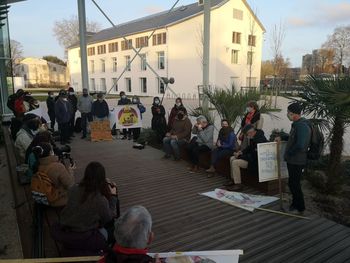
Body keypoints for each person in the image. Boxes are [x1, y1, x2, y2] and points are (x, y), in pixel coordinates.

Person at [52, 162, 118, 256]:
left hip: (66, 232)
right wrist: (113, 196)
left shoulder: (73, 189)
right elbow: (108, 218)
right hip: (84, 236)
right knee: (111, 230)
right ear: (102, 179)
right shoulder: (100, 200)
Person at [281, 102, 311, 214]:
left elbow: (300, 144)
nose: (287, 114)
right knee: (293, 183)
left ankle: (300, 207)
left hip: (297, 161)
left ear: (294, 114)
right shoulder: (297, 124)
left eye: (288, 112)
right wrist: (283, 136)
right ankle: (295, 205)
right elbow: (294, 138)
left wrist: (289, 153)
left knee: (295, 184)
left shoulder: (301, 125)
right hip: (294, 160)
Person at [33, 142, 75, 207]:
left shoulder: (36, 165)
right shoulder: (57, 167)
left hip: (43, 197)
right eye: (52, 150)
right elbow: (70, 184)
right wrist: (70, 170)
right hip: (55, 199)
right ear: (50, 152)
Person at [227, 124, 267, 191]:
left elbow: (253, 156)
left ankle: (238, 184)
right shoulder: (254, 136)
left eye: (247, 135)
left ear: (251, 132)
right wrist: (241, 152)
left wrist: (240, 156)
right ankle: (233, 180)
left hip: (255, 162)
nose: (247, 136)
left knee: (235, 162)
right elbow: (249, 148)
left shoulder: (260, 140)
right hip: (250, 158)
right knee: (232, 158)